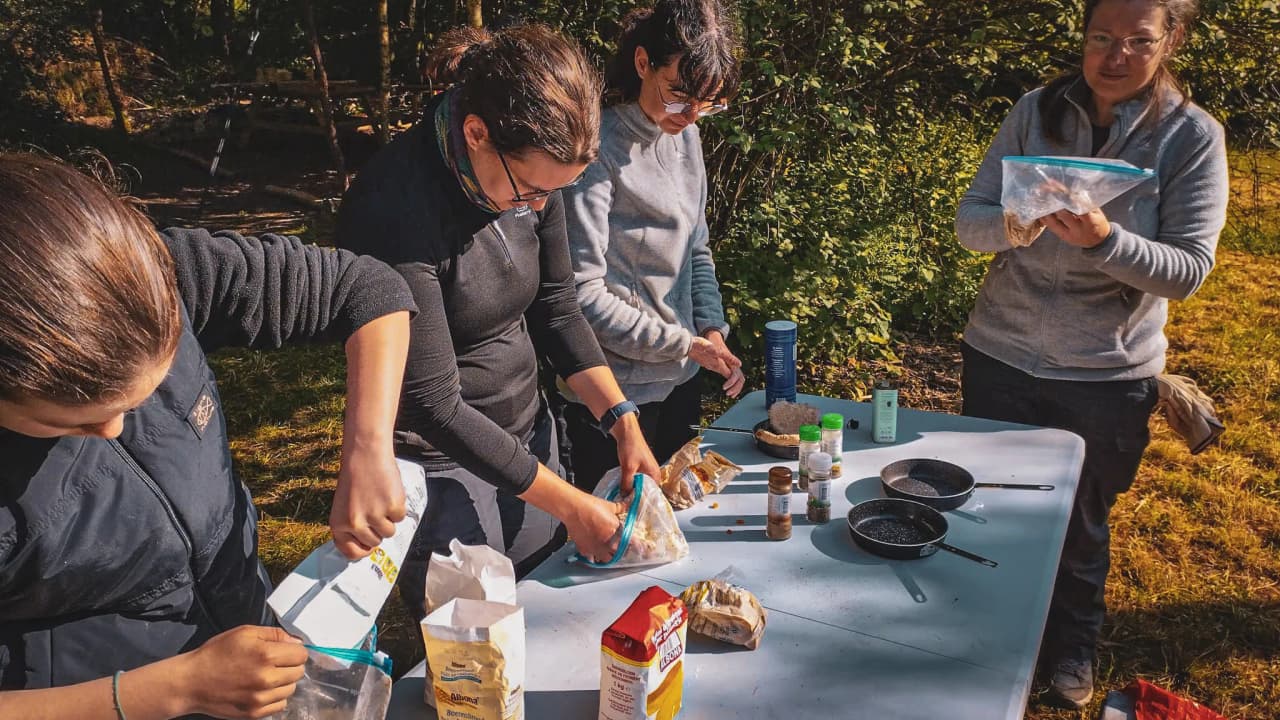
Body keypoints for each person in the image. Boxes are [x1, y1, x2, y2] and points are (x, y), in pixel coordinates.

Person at [0, 153, 416, 719]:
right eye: (72, 423)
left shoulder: (155, 272)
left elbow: (367, 290)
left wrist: (367, 448)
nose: (116, 427)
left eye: (148, 393)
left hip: (243, 640)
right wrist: (172, 690)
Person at [954, 0, 1227, 709]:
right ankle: (986, 637)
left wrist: (1105, 240)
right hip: (999, 352)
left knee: (1078, 524)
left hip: (1106, 373)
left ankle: (1071, 649)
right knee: (986, 508)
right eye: (1101, 37)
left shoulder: (1191, 137)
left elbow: (1189, 271)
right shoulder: (1035, 111)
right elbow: (969, 223)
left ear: (1171, 40)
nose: (1115, 57)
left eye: (1138, 41)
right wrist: (1018, 224)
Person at [335, 23, 661, 617]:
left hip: (527, 432)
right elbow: (434, 404)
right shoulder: (393, 211)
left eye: (552, 194)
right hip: (438, 462)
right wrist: (571, 504)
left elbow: (557, 306)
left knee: (550, 615)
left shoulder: (535, 173)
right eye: (529, 192)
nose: (537, 207)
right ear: (476, 133)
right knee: (477, 648)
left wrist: (622, 419)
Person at [560, 0, 744, 491]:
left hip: (682, 378)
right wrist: (685, 343)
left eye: (708, 101)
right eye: (679, 94)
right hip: (613, 396)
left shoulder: (688, 138)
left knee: (674, 519)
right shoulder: (596, 149)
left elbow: (696, 250)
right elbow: (582, 295)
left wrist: (712, 331)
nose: (692, 114)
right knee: (617, 527)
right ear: (643, 63)